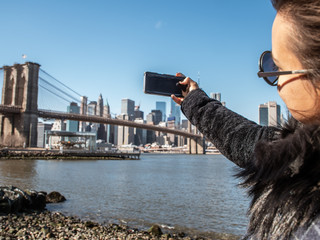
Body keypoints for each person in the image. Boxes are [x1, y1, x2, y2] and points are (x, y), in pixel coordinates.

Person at [171, 0, 320, 239]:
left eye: (277, 68)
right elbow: (256, 144)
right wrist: (195, 102)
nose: (276, 83)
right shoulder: (307, 150)